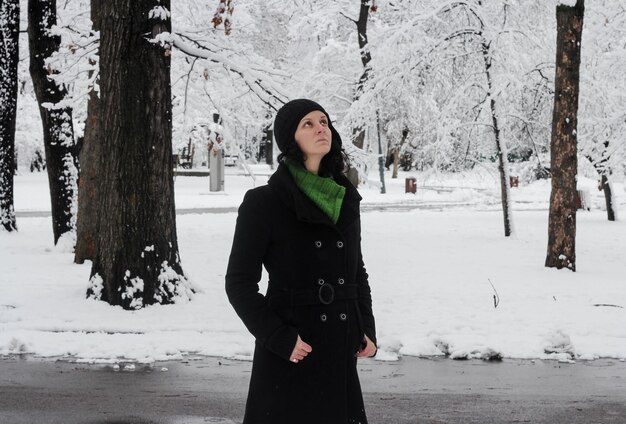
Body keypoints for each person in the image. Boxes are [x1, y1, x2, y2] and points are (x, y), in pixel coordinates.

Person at [225, 99, 377, 424]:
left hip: (338, 347)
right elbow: (239, 283)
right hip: (293, 349)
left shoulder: (344, 197)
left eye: (323, 121)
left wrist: (365, 327)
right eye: (307, 123)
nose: (321, 128)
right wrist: (280, 337)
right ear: (289, 139)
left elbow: (356, 271)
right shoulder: (263, 202)